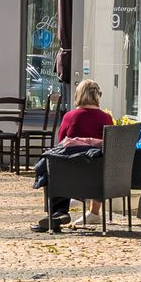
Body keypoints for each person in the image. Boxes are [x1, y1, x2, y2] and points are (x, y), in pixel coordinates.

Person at [32, 79, 114, 233]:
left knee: (52, 163)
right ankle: (93, 212)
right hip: (97, 177)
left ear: (79, 95)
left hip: (69, 177)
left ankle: (58, 212)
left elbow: (61, 142)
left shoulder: (71, 117)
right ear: (98, 96)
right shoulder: (106, 118)